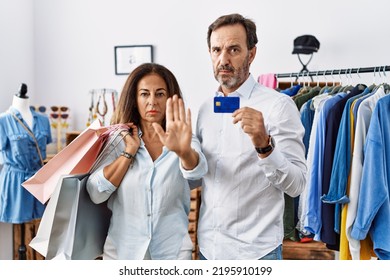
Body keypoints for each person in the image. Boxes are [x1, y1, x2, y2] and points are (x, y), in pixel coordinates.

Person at [195, 13, 307, 260]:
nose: (223, 59)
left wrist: (264, 146)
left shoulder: (279, 106)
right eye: (216, 50)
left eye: (233, 49)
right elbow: (199, 180)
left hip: (257, 253)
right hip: (208, 251)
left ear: (251, 53)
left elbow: (297, 185)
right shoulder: (203, 110)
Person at [86, 63, 208, 260]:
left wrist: (184, 152)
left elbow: (198, 174)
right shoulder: (118, 140)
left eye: (160, 94)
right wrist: (128, 153)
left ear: (170, 98)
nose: (152, 102)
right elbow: (95, 192)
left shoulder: (183, 139)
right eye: (144, 94)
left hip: (172, 252)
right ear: (134, 99)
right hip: (122, 252)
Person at [0, 84, 51, 224]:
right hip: (16, 182)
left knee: (40, 222)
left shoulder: (43, 120)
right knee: (19, 225)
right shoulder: (3, 121)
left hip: (39, 179)